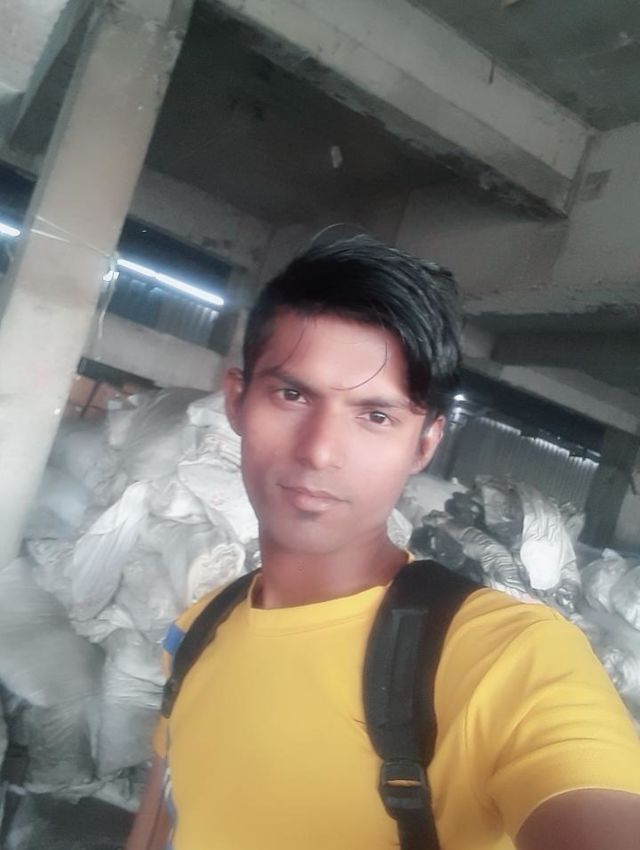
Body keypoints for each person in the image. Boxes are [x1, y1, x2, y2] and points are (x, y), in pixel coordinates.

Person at [126, 237, 640, 850]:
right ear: (236, 401)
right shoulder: (199, 628)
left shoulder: (505, 657)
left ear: (424, 444)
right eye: (292, 394)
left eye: (375, 416)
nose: (319, 450)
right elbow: (163, 815)